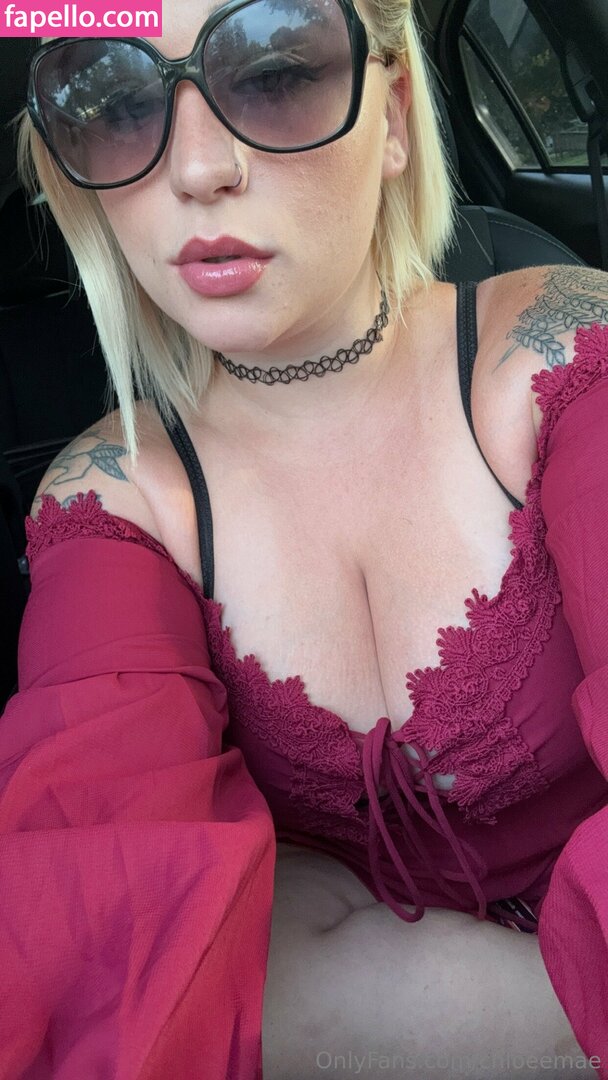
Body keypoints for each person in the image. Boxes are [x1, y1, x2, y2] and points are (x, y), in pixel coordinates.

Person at [2, 0, 608, 1075]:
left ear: (394, 116)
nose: (198, 170)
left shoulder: (561, 352)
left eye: (276, 71)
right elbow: (107, 957)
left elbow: (213, 994)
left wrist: (316, 978)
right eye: (115, 102)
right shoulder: (110, 498)